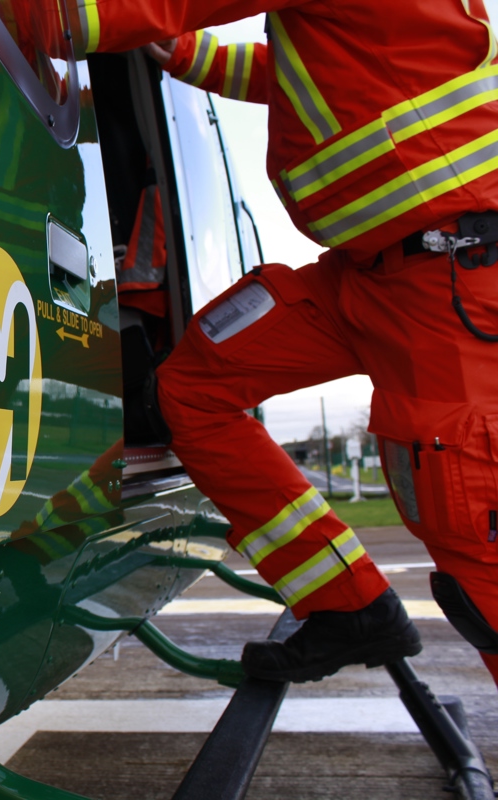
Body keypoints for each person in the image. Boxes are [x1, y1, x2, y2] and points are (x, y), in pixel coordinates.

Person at [60, 0, 498, 685]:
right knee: (194, 385)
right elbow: (292, 74)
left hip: (452, 275)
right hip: (368, 276)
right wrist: (181, 55)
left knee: (481, 558)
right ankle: (348, 607)